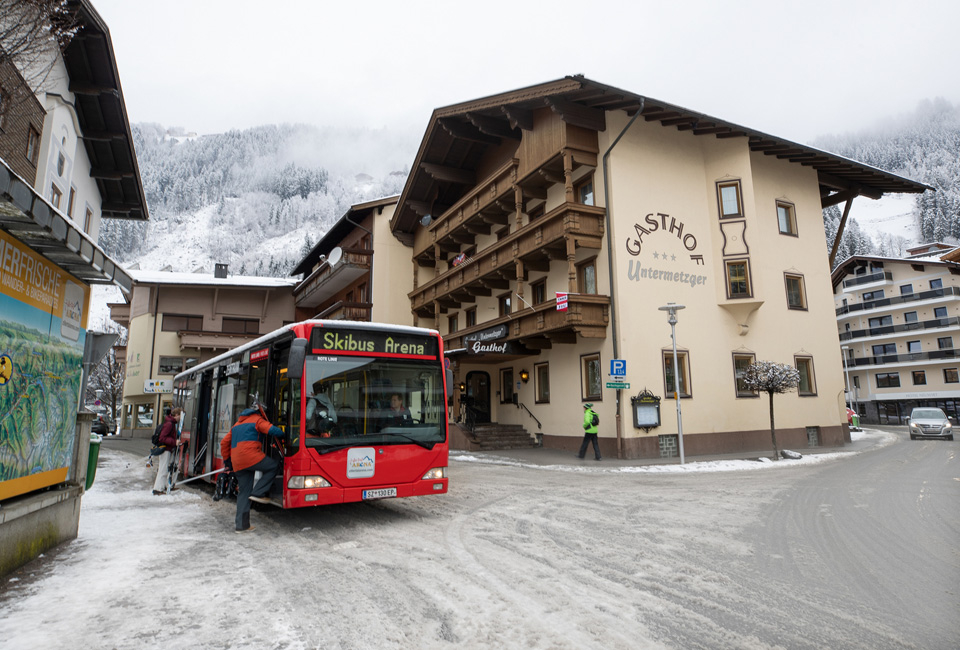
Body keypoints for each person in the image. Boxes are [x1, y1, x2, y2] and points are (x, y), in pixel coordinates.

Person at [220, 404, 285, 533]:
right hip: (251, 456)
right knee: (273, 466)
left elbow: (224, 443)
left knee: (244, 493)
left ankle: (242, 526)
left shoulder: (236, 425)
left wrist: (228, 461)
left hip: (237, 461)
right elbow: (273, 431)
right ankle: (258, 492)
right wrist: (285, 433)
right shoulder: (257, 419)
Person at [152, 407, 182, 494]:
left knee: (165, 468)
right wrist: (174, 442)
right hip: (165, 449)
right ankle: (157, 489)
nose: (180, 418)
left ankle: (162, 487)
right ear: (176, 415)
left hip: (167, 448)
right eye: (180, 416)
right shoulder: (169, 424)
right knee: (163, 469)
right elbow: (162, 438)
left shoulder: (170, 422)